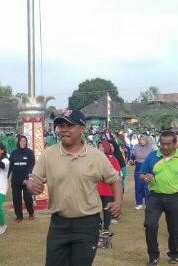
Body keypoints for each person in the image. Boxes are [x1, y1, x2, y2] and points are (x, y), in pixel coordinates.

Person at [27, 109, 122, 266]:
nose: (64, 129)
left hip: (87, 224)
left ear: (82, 129)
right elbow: (33, 179)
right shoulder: (48, 154)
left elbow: (115, 179)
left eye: (69, 125)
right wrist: (31, 185)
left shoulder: (96, 156)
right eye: (61, 125)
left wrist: (117, 202)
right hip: (58, 224)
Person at [138, 131, 178, 265]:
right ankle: (153, 255)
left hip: (174, 198)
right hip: (154, 197)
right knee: (150, 225)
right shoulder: (152, 156)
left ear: (175, 144)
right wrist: (145, 177)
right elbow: (141, 173)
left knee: (174, 228)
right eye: (162, 144)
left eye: (168, 144)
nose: (165, 147)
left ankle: (174, 253)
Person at [97, 140, 122, 249]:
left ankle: (106, 228)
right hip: (96, 189)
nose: (100, 148)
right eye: (99, 147)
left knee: (107, 210)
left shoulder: (113, 160)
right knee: (95, 209)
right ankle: (97, 227)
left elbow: (116, 175)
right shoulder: (94, 159)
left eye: (102, 147)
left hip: (108, 190)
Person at [9, 135, 35, 222]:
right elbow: (10, 166)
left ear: (26, 142)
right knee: (16, 199)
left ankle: (31, 213)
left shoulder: (30, 152)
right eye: (21, 141)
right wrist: (6, 176)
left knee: (27, 198)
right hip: (16, 180)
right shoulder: (13, 153)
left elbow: (31, 166)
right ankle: (19, 216)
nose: (23, 143)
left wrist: (27, 178)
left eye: (24, 141)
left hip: (26, 180)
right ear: (18, 142)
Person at [133, 134, 155, 209]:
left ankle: (147, 202)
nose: (141, 141)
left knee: (147, 186)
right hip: (139, 166)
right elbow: (138, 155)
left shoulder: (150, 148)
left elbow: (151, 157)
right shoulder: (136, 147)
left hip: (148, 167)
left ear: (146, 140)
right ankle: (138, 203)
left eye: (143, 139)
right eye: (140, 139)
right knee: (138, 185)